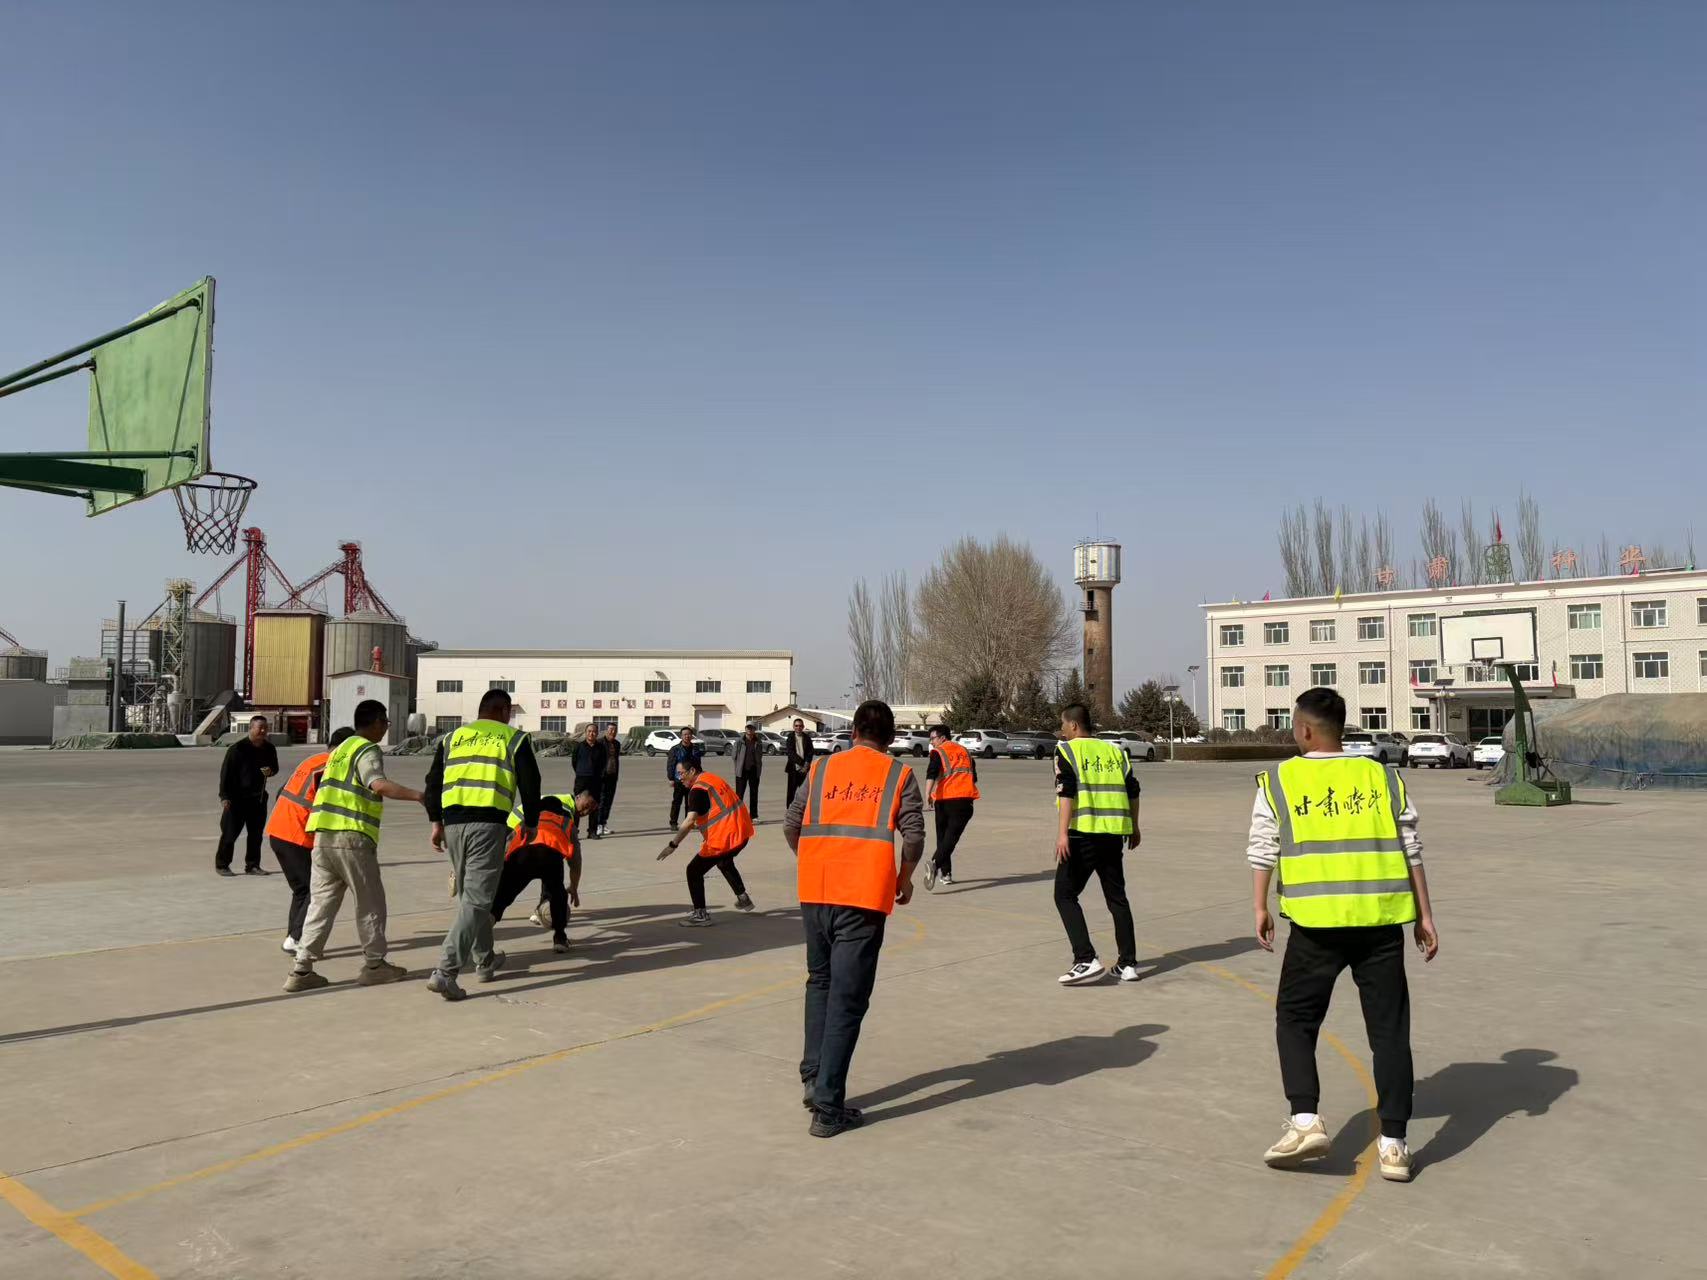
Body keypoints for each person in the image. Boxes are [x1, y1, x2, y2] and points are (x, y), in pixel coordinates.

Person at [1251, 687, 1439, 1184]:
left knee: (1296, 1019)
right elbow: (1411, 847)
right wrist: (1425, 915)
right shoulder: (1381, 776)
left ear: (1305, 729)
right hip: (1380, 924)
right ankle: (1394, 1145)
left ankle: (1305, 1120)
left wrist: (1260, 907)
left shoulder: (1281, 780)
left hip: (1316, 926)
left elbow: (1263, 848)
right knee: (1389, 1033)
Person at [786, 699, 925, 1138]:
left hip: (816, 891)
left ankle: (814, 1077)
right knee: (848, 997)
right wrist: (904, 878)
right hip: (862, 897)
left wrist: (813, 859)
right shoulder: (898, 774)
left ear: (853, 733)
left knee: (820, 981)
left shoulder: (821, 768)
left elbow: (792, 823)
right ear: (891, 738)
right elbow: (914, 835)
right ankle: (827, 1107)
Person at [284, 702, 425, 992]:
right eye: (385, 722)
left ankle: (301, 969)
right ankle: (375, 965)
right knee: (370, 902)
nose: (386, 728)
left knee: (320, 905)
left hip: (323, 837)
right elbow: (378, 784)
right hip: (351, 838)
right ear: (375, 722)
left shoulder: (340, 751)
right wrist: (420, 796)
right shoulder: (366, 749)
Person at [424, 688, 542, 1002]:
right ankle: (446, 971)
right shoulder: (513, 738)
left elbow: (433, 782)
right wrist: (531, 822)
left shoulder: (452, 738)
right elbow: (531, 783)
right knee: (477, 901)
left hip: (453, 826)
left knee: (471, 897)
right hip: (487, 825)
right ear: (503, 710)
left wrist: (435, 822)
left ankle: (485, 960)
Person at [1052, 703, 1141, 986]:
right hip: (1114, 834)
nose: (1062, 730)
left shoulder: (1067, 750)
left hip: (1082, 833)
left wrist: (1062, 833)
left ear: (1073, 725)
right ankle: (1127, 963)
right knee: (1117, 898)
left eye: (1063, 725)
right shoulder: (1116, 751)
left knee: (1064, 895)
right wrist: (1134, 825)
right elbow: (1133, 790)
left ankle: (1085, 958)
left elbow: (1066, 792)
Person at [265, 727, 354, 954]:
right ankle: (296, 937)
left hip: (278, 831)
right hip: (297, 836)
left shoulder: (312, 760)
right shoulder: (333, 767)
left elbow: (282, 791)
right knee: (315, 891)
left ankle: (293, 937)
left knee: (302, 890)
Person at [494, 791, 596, 954]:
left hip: (522, 858)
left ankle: (485, 925)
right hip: (550, 859)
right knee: (558, 895)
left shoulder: (526, 821)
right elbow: (575, 860)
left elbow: (506, 846)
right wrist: (574, 887)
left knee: (501, 897)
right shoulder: (566, 822)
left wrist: (499, 874)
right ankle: (560, 938)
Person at [657, 760, 756, 924]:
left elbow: (689, 821)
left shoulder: (697, 790)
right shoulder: (712, 778)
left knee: (693, 871)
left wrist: (672, 845)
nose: (679, 778)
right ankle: (743, 898)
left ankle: (700, 915)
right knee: (724, 862)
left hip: (725, 837)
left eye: (681, 774)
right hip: (741, 831)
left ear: (692, 771)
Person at [215, 715, 279, 876]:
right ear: (251, 728)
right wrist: (224, 797)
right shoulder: (237, 749)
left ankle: (253, 865)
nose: (263, 731)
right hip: (236, 799)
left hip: (258, 798)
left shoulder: (269, 748)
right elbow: (226, 774)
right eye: (260, 727)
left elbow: (274, 768)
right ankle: (222, 865)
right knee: (229, 834)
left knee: (256, 835)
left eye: (265, 728)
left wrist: (270, 771)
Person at [922, 725, 979, 890]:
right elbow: (973, 777)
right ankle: (942, 871)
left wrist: (927, 794)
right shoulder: (965, 752)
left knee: (943, 837)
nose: (931, 742)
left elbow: (931, 773)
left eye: (933, 738)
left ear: (942, 737)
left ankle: (939, 868)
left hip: (943, 800)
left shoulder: (938, 752)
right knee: (951, 838)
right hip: (964, 801)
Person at [571, 723, 606, 836]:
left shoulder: (601, 748)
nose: (592, 733)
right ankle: (574, 831)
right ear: (585, 733)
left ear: (597, 733)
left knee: (595, 806)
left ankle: (592, 831)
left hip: (596, 780)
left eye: (594, 732)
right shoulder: (579, 747)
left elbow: (604, 763)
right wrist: (581, 772)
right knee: (578, 806)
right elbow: (574, 762)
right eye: (589, 731)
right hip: (581, 780)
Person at [666, 727, 704, 827]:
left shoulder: (695, 749)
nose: (687, 736)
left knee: (691, 802)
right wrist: (671, 778)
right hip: (679, 779)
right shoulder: (675, 749)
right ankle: (673, 823)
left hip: (692, 780)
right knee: (677, 802)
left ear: (692, 736)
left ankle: (689, 822)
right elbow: (671, 764)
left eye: (689, 734)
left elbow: (698, 764)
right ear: (681, 736)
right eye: (685, 734)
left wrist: (700, 776)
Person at [732, 723, 763, 819]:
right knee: (739, 794)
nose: (750, 730)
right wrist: (738, 766)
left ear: (754, 730)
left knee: (754, 794)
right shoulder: (739, 741)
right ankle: (738, 815)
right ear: (745, 729)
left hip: (754, 770)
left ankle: (753, 816)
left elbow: (760, 756)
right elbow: (734, 756)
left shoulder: (758, 742)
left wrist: (758, 767)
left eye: (752, 728)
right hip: (742, 771)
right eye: (748, 728)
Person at [596, 722, 621, 837]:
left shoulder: (617, 744)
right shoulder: (600, 743)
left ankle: (603, 823)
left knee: (608, 802)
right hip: (602, 777)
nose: (613, 732)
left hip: (612, 776)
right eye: (611, 730)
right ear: (606, 730)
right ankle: (598, 825)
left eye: (615, 730)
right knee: (601, 801)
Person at [784, 717, 814, 810]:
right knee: (791, 792)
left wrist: (806, 765)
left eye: (800, 726)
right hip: (793, 769)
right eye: (796, 726)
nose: (798, 727)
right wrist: (802, 764)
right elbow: (791, 753)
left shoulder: (807, 738)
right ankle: (789, 810)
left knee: (805, 792)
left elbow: (810, 752)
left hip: (804, 770)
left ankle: (805, 810)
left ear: (803, 727)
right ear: (793, 727)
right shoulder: (790, 738)